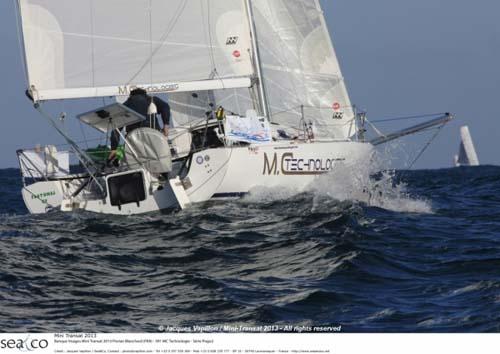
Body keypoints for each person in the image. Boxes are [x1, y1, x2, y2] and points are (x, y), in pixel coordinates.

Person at [110, 88, 171, 157]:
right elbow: (165, 107)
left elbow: (116, 129)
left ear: (130, 96)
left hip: (134, 138)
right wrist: (166, 125)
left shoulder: (125, 105)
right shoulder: (152, 100)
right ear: (145, 94)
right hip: (153, 135)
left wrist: (114, 148)